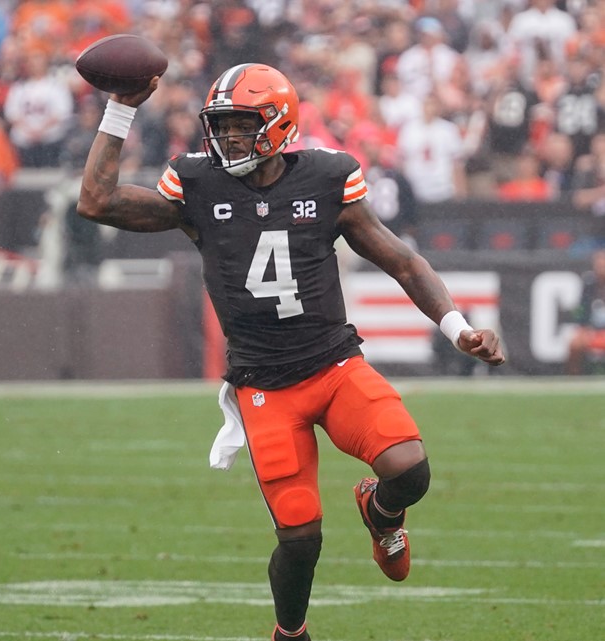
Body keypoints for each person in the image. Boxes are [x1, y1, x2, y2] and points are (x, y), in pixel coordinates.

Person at [75, 64, 505, 641]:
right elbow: (96, 202)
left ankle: (380, 512)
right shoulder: (197, 185)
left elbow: (401, 260)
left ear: (278, 126)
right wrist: (121, 107)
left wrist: (458, 329)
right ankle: (290, 633)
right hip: (264, 386)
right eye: (219, 127)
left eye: (238, 126)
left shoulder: (327, 177)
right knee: (300, 537)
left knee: (410, 469)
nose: (225, 139)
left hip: (334, 365)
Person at [565, 249, 605, 375]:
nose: (601, 269)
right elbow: (582, 311)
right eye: (598, 265)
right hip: (592, 330)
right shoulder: (589, 285)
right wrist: (584, 328)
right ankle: (574, 378)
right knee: (575, 343)